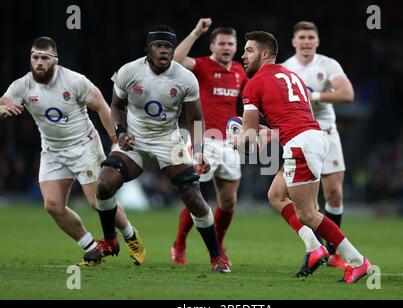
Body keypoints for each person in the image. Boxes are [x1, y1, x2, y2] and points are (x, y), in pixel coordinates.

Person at [82, 25, 230, 273]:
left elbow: (195, 120)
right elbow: (116, 106)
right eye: (158, 46)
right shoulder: (129, 71)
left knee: (193, 196)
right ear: (148, 49)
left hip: (168, 140)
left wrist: (199, 150)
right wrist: (121, 132)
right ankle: (109, 241)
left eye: (168, 47)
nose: (163, 51)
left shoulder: (184, 78)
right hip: (135, 139)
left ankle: (217, 257)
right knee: (104, 184)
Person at [237, 31, 371, 283]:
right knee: (276, 195)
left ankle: (357, 261)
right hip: (313, 138)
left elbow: (249, 140)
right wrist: (271, 133)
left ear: (265, 53)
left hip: (300, 145)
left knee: (307, 214)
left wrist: (236, 141)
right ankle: (313, 247)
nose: (243, 56)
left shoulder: (253, 84)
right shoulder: (292, 75)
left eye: (249, 50)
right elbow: (299, 116)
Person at [0, 37, 146, 266]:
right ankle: (91, 247)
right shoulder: (23, 85)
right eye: (35, 57)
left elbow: (101, 106)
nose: (38, 62)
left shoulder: (74, 81)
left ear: (55, 61)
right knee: (53, 206)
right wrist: (3, 109)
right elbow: (4, 101)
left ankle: (130, 236)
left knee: (97, 201)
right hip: (52, 151)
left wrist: (116, 141)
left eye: (44, 58)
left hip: (84, 147)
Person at [275, 21, 355, 269]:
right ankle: (317, 249)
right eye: (302, 37)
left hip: (327, 133)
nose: (307, 41)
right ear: (294, 41)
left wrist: (315, 96)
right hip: (299, 135)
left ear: (317, 41)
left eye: (311, 37)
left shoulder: (328, 64)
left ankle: (333, 252)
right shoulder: (286, 68)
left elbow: (347, 94)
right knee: (304, 201)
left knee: (334, 193)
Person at [170, 18, 247, 265]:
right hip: (204, 141)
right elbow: (176, 61)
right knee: (196, 196)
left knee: (229, 200)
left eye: (231, 43)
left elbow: (248, 104)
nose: (226, 47)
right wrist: (195, 33)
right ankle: (179, 244)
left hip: (229, 143)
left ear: (236, 47)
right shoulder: (202, 66)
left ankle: (218, 244)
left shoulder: (238, 71)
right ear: (212, 46)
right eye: (221, 43)